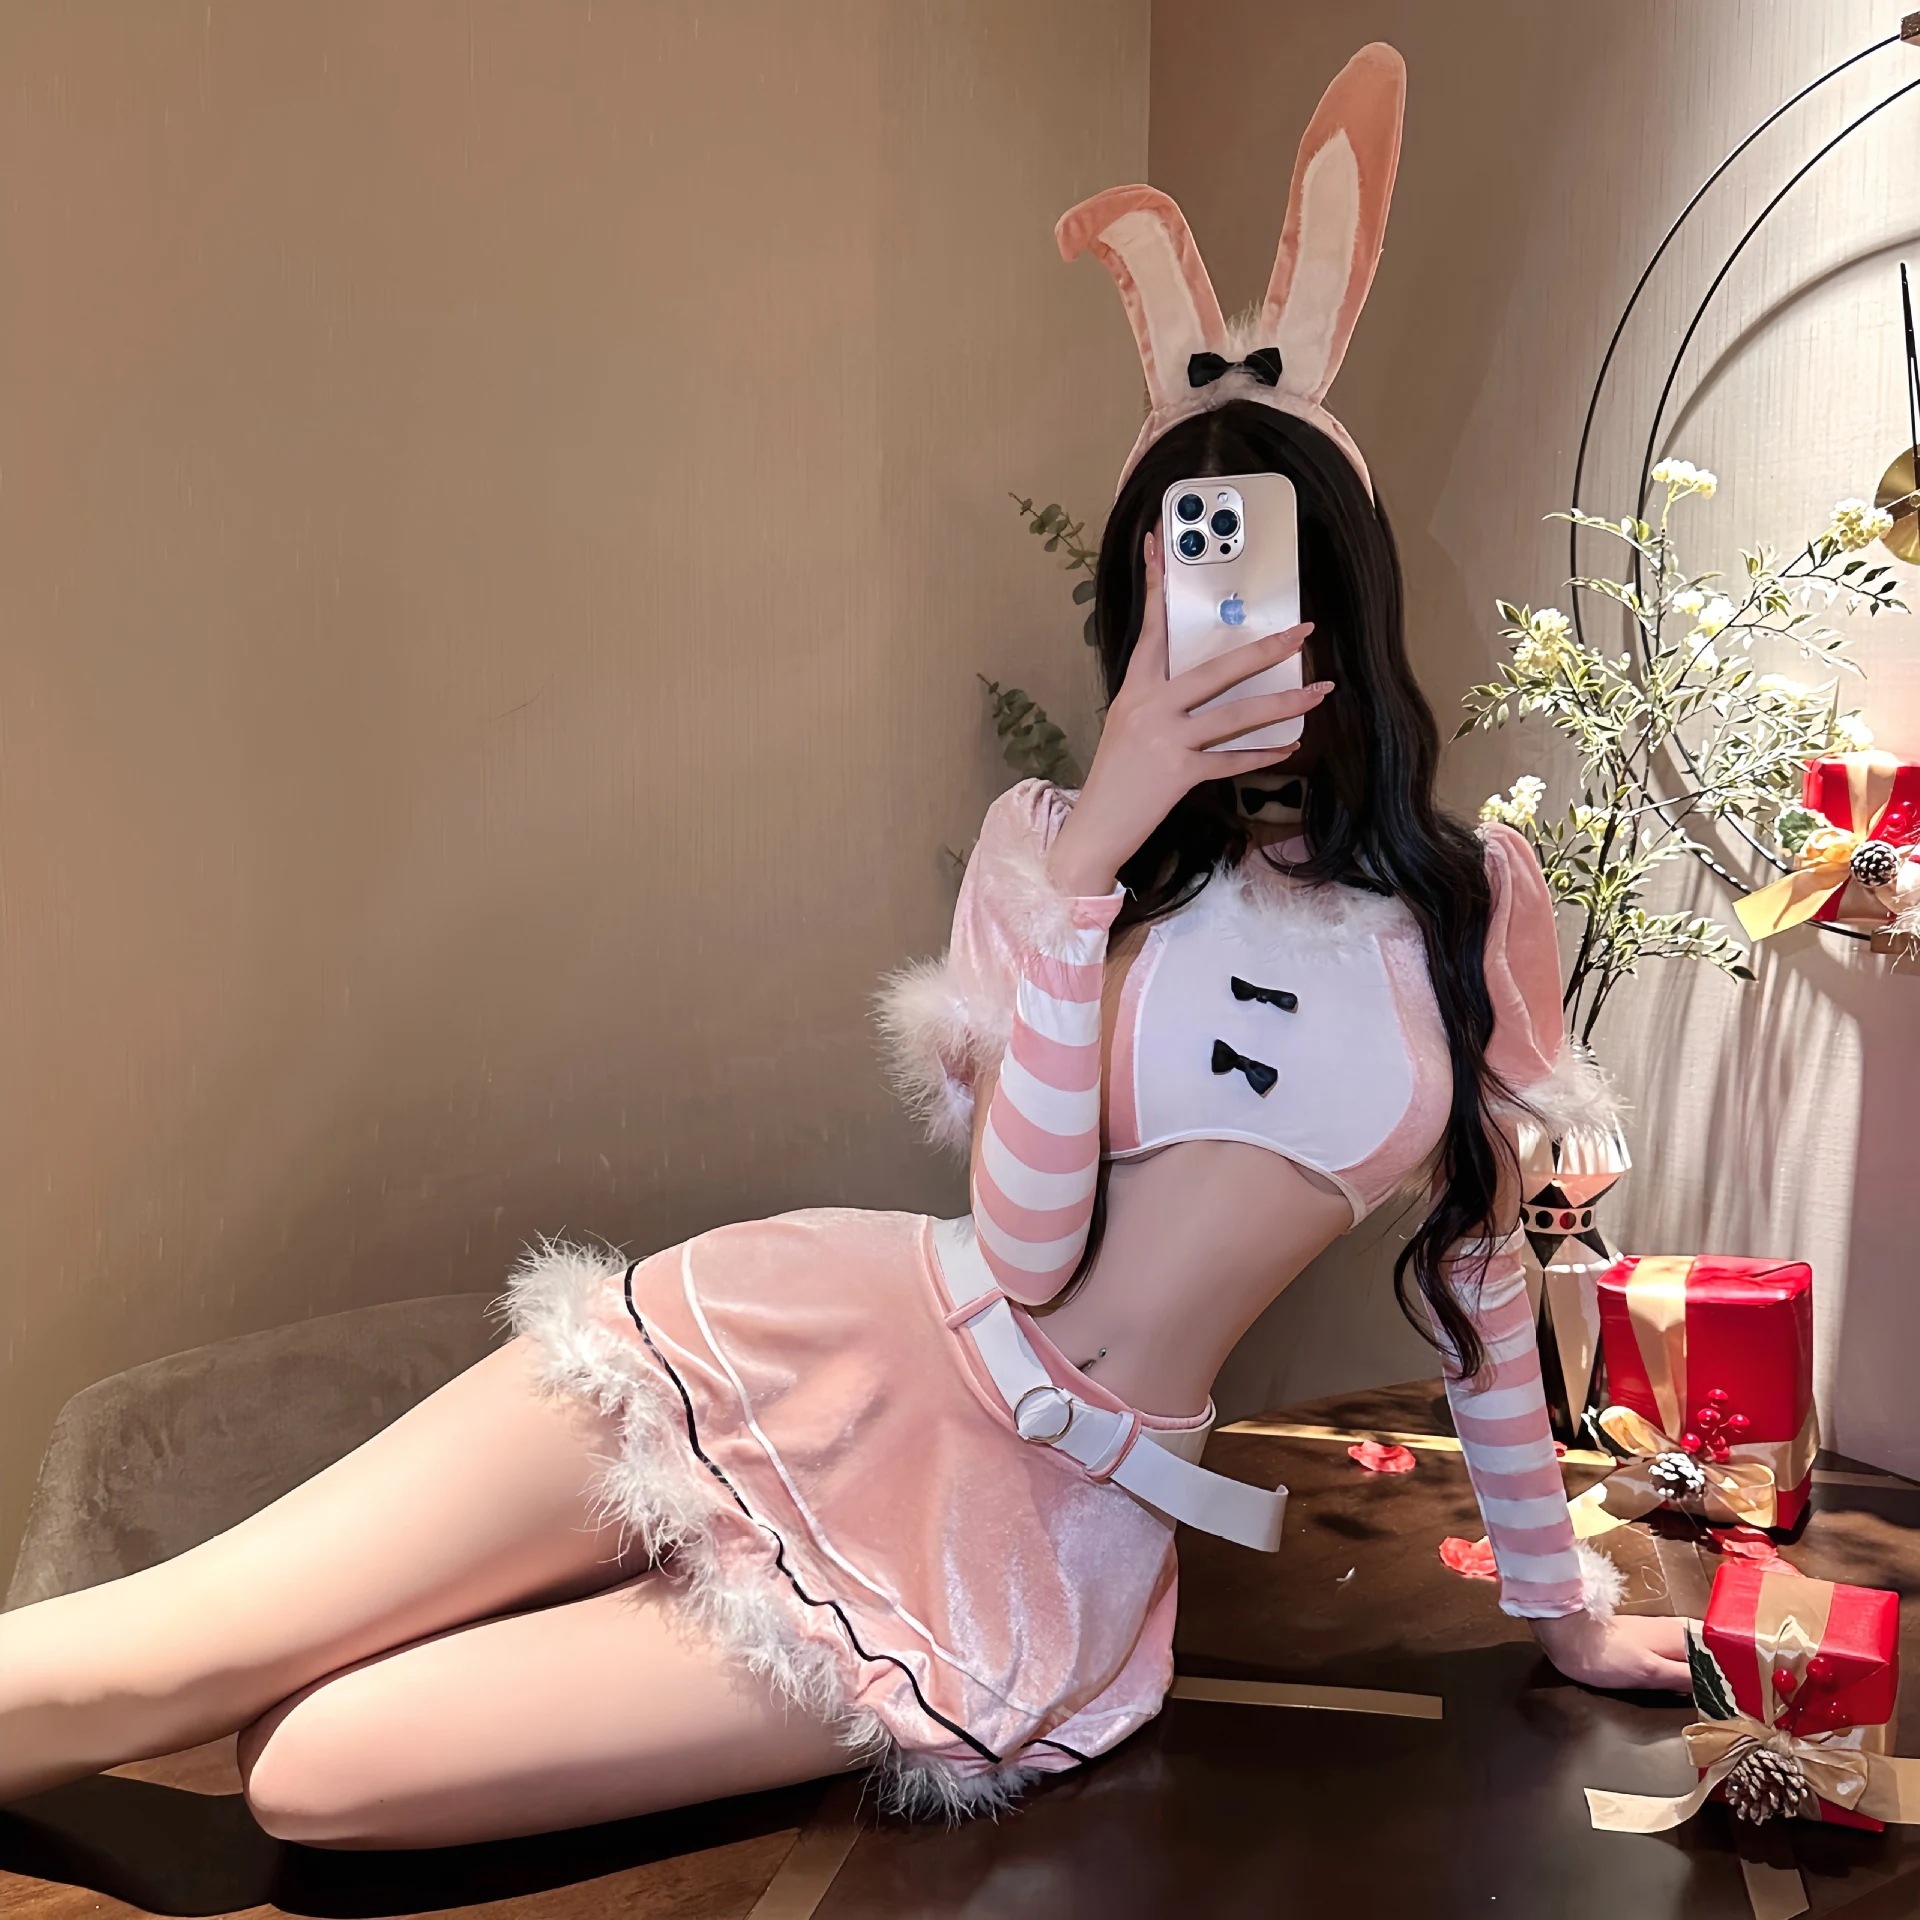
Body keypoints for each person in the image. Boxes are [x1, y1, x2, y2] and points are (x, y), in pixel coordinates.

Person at [0, 40, 1688, 1851]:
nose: (1212, 617)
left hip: (1028, 1542)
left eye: (1258, 572)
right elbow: (1026, 1246)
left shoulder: (1465, 901)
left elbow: (1481, 1276)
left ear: (1340, 588)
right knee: (180, 1645)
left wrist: (1564, 1608)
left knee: (319, 1773)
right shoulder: (1053, 851)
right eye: (1170, 577)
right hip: (818, 1335)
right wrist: (1097, 854)